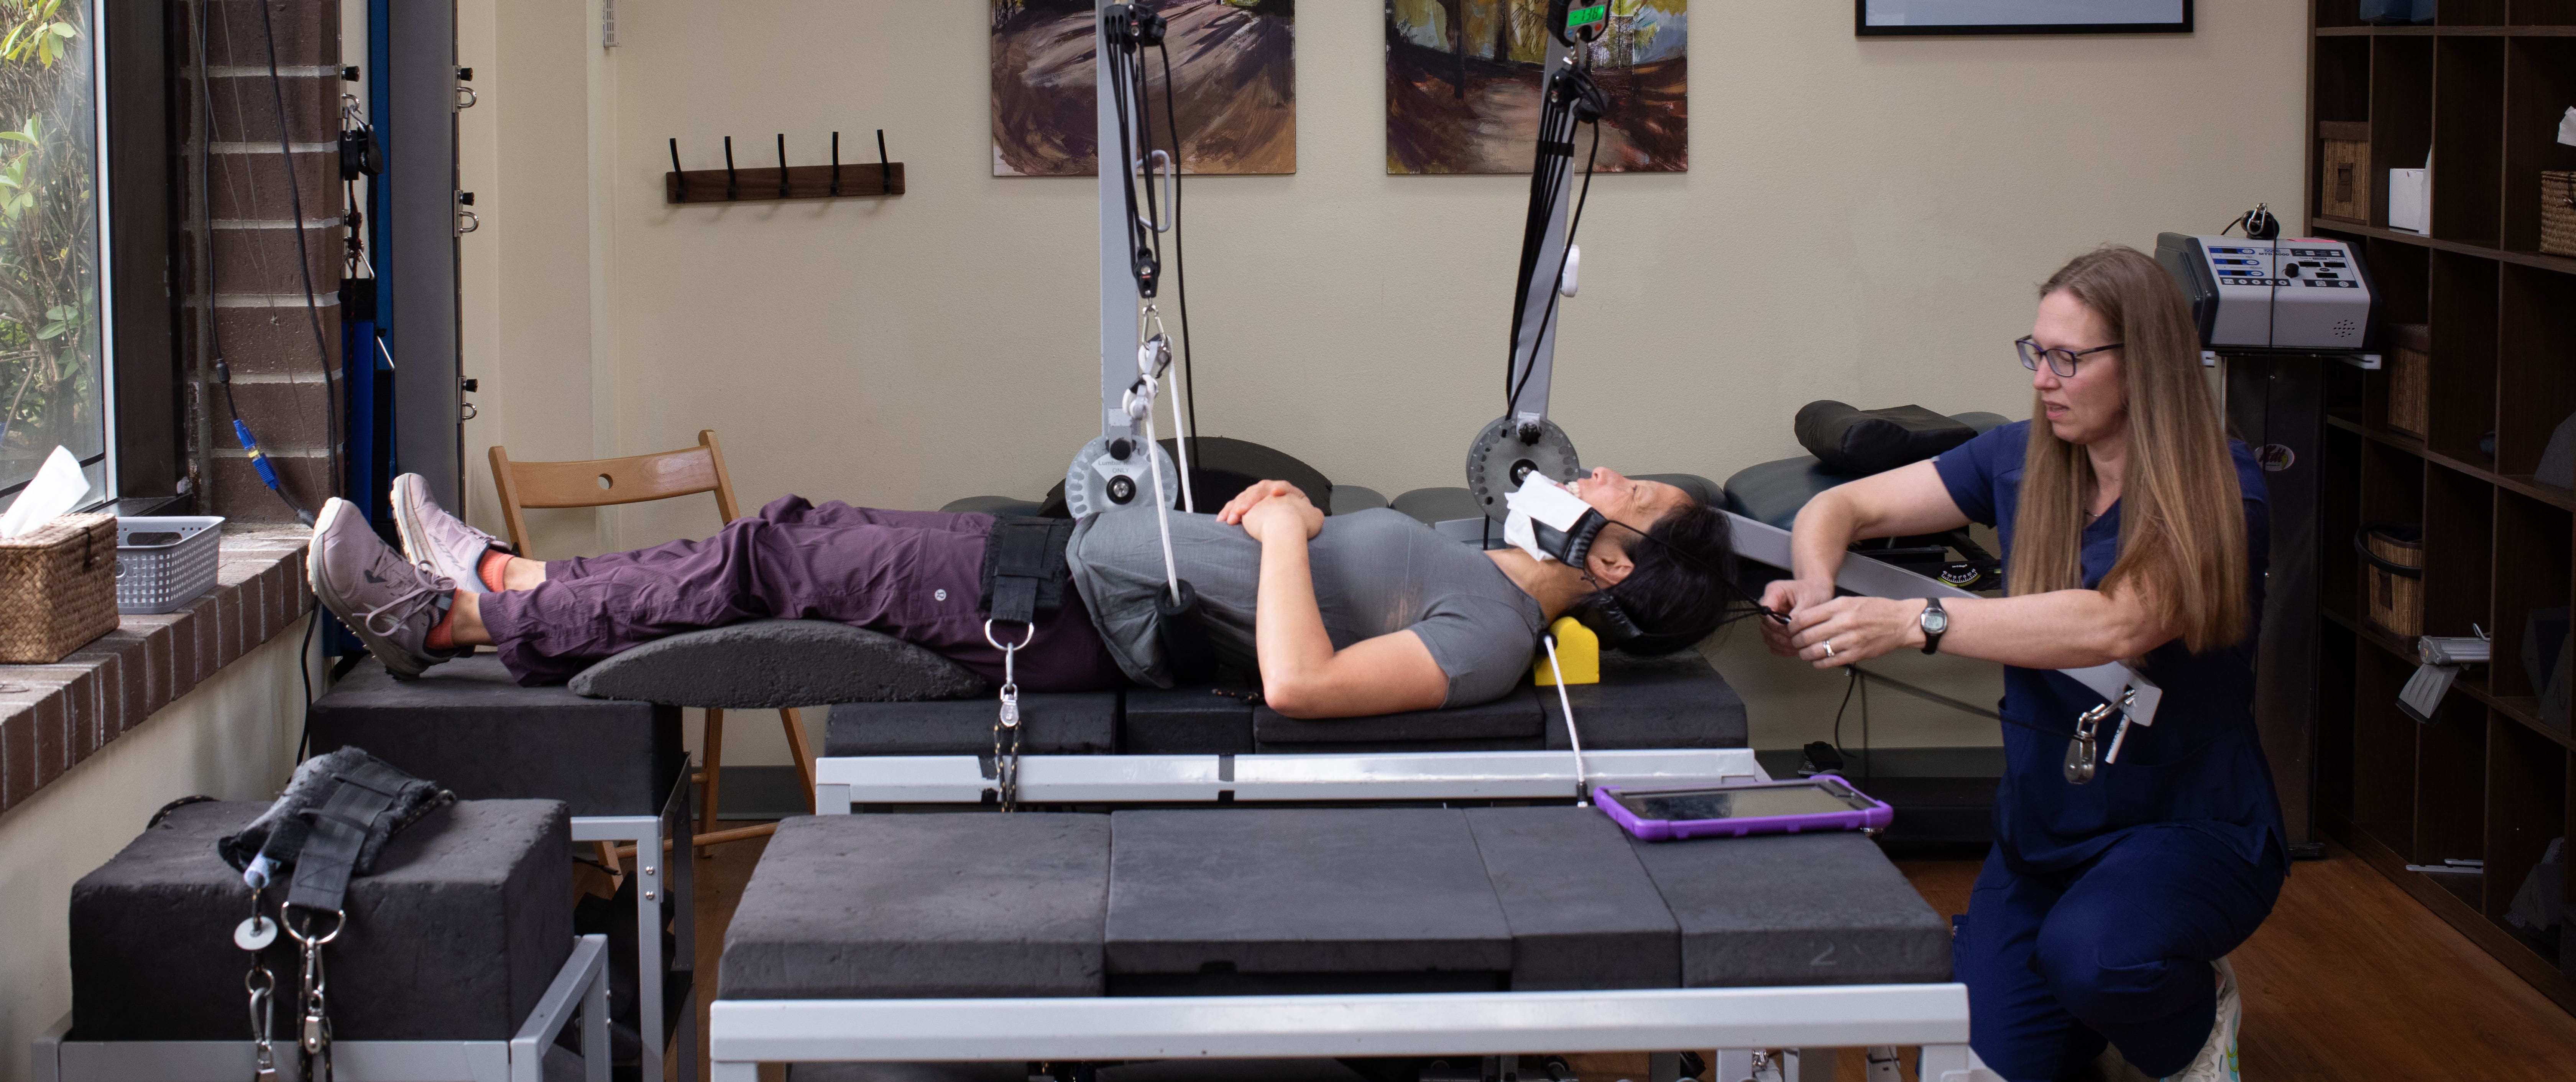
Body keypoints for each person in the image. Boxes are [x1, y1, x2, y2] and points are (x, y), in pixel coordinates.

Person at [1757, 247, 2282, 1082]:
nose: (2043, 377)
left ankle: (2191, 1013)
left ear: (2145, 365)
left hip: (2187, 827)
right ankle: (2087, 1004)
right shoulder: (2019, 456)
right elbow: (1843, 504)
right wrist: (1816, 591)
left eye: (2069, 359)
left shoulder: (2224, 488)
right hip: (2045, 833)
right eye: (2035, 352)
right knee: (1984, 1065)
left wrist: (1914, 620)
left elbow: (2118, 624)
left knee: (2100, 958)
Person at [309, 466, 1736, 719]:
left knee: (774, 561)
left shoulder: (1493, 636)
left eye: (1623, 495)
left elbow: (1299, 686)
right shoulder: (1479, 571)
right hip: (1073, 577)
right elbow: (1281, 591)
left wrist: (1291, 536)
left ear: (1610, 566)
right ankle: (508, 595)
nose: (1594, 470)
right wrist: (1263, 525)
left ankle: (468, 606)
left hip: (1060, 625)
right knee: (790, 539)